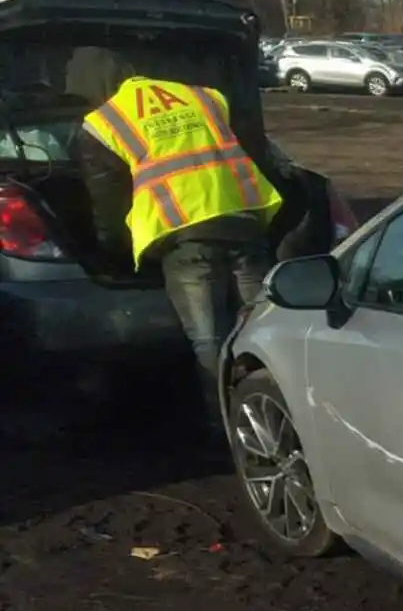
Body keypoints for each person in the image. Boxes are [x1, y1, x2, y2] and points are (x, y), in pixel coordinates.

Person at [70, 48, 283, 440]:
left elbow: (108, 198)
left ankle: (226, 429)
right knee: (265, 330)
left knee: (209, 338)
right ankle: (278, 418)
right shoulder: (203, 95)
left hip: (185, 236)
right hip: (244, 218)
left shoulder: (104, 122)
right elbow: (253, 148)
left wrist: (113, 248)